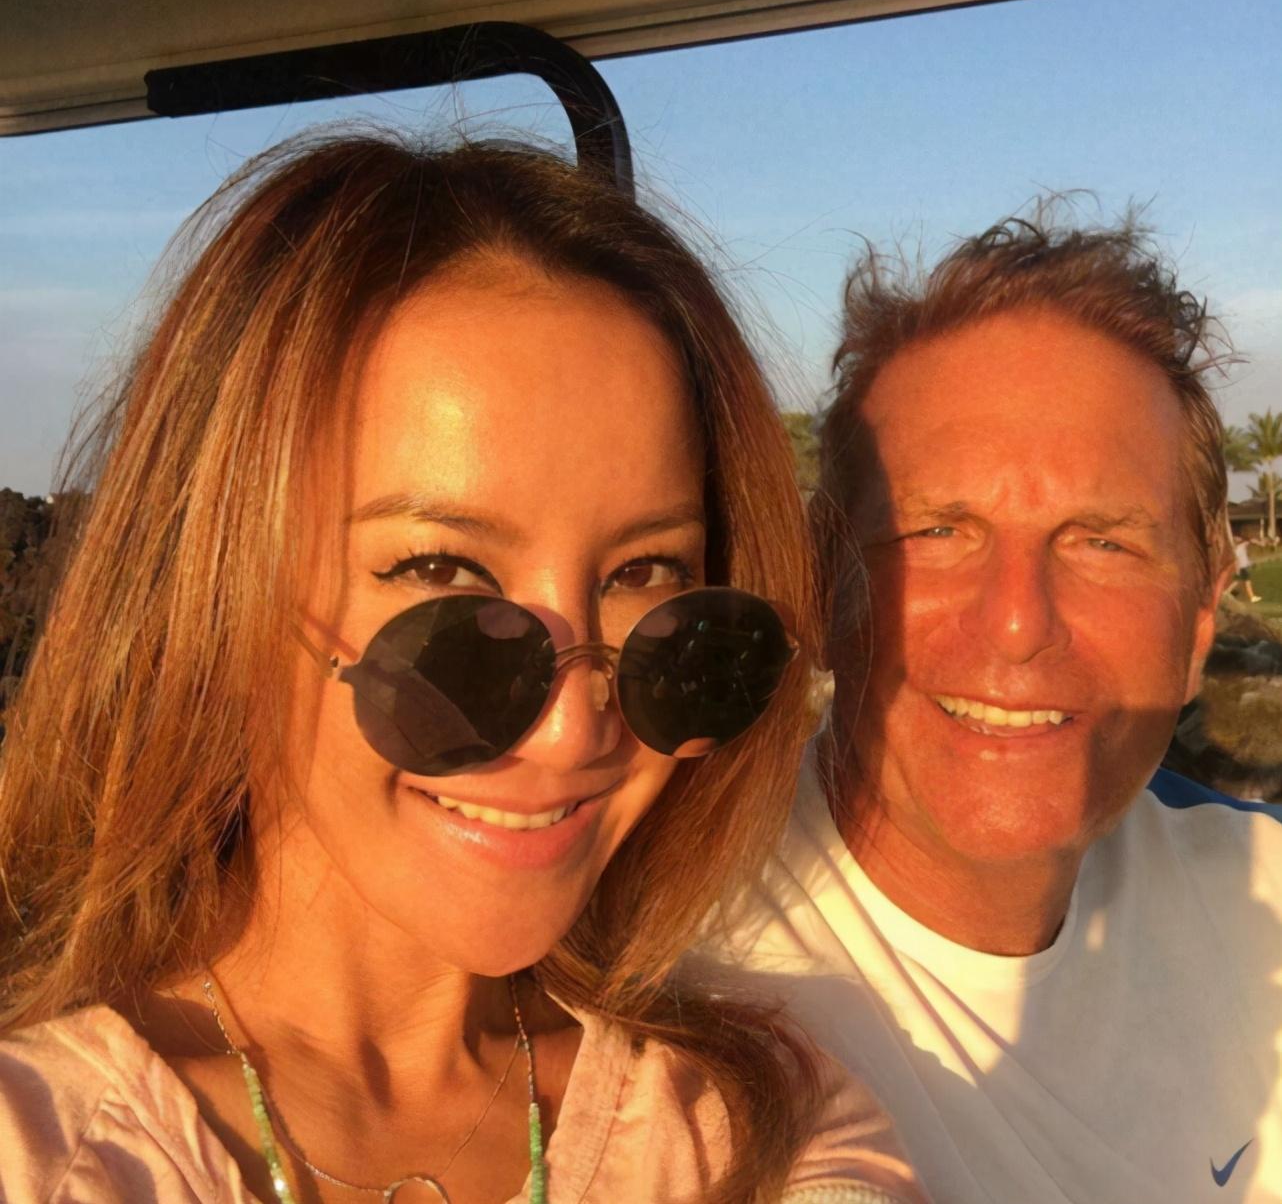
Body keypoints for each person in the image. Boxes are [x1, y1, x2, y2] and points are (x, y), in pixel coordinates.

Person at [0, 132, 922, 1204]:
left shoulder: (755, 1134)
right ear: (212, 584)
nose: (575, 729)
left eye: (645, 574)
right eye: (440, 571)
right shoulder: (43, 1151)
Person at [709, 211, 1282, 1203]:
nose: (1017, 623)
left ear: (1200, 620)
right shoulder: (680, 993)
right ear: (824, 586)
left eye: (1101, 541)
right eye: (935, 531)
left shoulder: (1258, 893)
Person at [1231, 533, 1263, 602]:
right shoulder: (1239, 548)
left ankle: (1227, 592)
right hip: (1242, 568)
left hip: (1242, 567)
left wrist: (1251, 564)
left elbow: (1245, 559)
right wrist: (1237, 571)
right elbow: (1237, 561)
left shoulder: (1240, 548)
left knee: (1237, 581)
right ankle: (1252, 597)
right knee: (1247, 581)